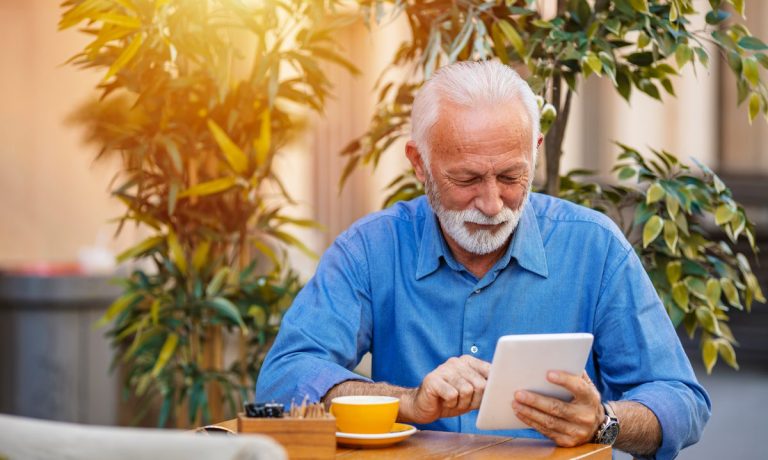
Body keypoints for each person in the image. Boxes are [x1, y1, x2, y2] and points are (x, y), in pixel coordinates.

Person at [256, 60, 710, 458]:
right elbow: (285, 375)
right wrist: (405, 402)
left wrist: (604, 421)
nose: (493, 204)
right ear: (420, 164)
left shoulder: (594, 247)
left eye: (512, 176)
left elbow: (681, 400)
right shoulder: (371, 248)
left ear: (533, 152)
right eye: (467, 178)